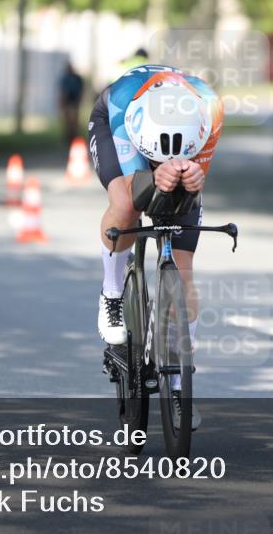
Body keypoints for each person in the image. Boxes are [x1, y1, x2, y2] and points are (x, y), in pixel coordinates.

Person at [88, 64, 223, 357]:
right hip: (118, 125)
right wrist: (152, 178)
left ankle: (176, 370)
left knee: (183, 267)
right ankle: (111, 293)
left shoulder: (210, 109)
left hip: (182, 138)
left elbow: (194, 183)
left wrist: (193, 177)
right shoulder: (124, 105)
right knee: (126, 205)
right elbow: (132, 189)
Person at [58, 61, 85, 145]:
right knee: (67, 122)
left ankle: (75, 137)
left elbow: (80, 89)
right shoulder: (65, 78)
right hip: (67, 102)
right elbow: (62, 91)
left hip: (75, 102)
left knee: (75, 121)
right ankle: (68, 138)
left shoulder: (77, 78)